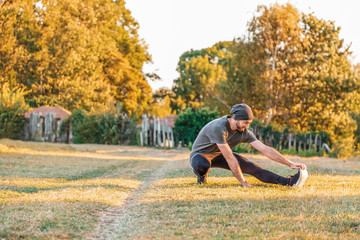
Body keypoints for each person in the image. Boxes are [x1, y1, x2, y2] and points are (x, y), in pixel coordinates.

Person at [190, 103, 308, 187]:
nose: (247, 127)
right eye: (245, 123)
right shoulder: (218, 127)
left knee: (253, 168)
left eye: (249, 123)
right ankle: (202, 176)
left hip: (220, 154)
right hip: (200, 155)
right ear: (236, 118)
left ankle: (289, 182)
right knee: (202, 165)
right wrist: (243, 182)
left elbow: (265, 149)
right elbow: (229, 157)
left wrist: (290, 164)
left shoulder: (244, 132)